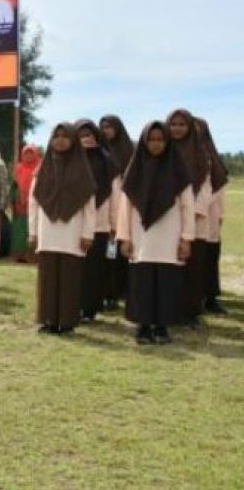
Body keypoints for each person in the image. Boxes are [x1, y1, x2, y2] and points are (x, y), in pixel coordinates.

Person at [117, 121, 195, 345]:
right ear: (143, 142)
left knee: (166, 283)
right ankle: (143, 326)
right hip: (141, 237)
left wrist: (186, 239)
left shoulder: (178, 171)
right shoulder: (135, 171)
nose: (156, 144)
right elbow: (125, 208)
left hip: (170, 237)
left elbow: (187, 207)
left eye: (160, 140)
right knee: (142, 282)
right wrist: (125, 237)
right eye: (151, 140)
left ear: (167, 142)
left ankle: (161, 327)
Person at [29, 123, 97, 335]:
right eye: (56, 136)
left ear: (73, 141)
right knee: (48, 277)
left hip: (72, 232)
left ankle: (67, 322)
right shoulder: (43, 168)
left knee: (69, 278)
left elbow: (89, 206)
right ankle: (48, 319)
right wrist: (33, 231)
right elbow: (34, 202)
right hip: (47, 230)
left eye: (65, 136)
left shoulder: (82, 169)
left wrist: (88, 233)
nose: (60, 140)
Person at [167, 108, 212, 325]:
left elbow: (205, 188)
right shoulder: (162, 151)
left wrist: (190, 215)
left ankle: (191, 313)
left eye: (182, 124)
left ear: (189, 127)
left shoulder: (200, 154)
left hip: (195, 221)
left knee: (193, 269)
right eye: (173, 124)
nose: (177, 128)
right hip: (168, 221)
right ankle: (170, 310)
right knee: (171, 268)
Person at [75, 119, 120, 321]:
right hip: (73, 223)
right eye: (81, 135)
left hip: (101, 224)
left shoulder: (107, 161)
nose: (86, 139)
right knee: (76, 268)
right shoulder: (70, 161)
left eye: (89, 135)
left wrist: (114, 224)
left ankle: (90, 309)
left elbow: (116, 195)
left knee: (94, 269)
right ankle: (73, 305)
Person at [99, 115, 134, 310]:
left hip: (125, 208)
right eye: (103, 127)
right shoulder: (98, 151)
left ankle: (124, 290)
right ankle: (109, 293)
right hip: (105, 211)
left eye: (110, 127)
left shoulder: (129, 152)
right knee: (107, 255)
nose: (106, 130)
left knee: (123, 254)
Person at [196, 118, 229, 314]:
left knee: (210, 258)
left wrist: (220, 213)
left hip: (211, 215)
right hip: (193, 217)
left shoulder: (212, 157)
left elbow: (219, 187)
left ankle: (210, 297)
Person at [10, 144, 41, 262]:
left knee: (33, 229)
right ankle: (19, 256)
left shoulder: (39, 168)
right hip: (20, 205)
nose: (28, 156)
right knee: (20, 232)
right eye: (26, 153)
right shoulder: (19, 168)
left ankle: (32, 256)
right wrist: (15, 200)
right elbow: (14, 186)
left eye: (30, 153)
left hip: (34, 204)